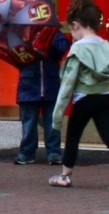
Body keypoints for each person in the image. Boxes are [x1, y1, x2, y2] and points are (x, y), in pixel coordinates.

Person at [49, 0, 109, 190]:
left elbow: (67, 85)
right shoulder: (107, 47)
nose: (72, 34)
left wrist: (57, 116)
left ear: (77, 25)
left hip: (84, 99)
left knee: (73, 136)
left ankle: (65, 175)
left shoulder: (77, 49)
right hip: (106, 97)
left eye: (71, 29)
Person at [14, 28, 71, 165]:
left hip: (50, 82)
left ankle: (54, 152)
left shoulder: (54, 32)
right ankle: (27, 152)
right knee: (29, 122)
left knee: (52, 122)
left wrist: (48, 41)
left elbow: (62, 48)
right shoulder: (23, 33)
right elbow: (16, 55)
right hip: (29, 83)